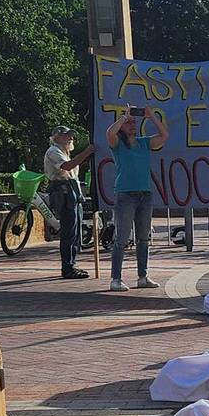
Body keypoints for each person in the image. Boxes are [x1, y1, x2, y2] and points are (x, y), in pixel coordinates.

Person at [105, 107, 169, 292]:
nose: (133, 125)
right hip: (125, 194)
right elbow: (109, 133)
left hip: (145, 194)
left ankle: (143, 276)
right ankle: (115, 279)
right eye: (129, 123)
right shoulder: (118, 144)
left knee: (143, 237)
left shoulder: (143, 143)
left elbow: (164, 136)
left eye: (134, 122)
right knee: (121, 238)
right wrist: (123, 117)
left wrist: (151, 117)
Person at [43, 126, 94, 279]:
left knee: (75, 231)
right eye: (66, 135)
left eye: (71, 135)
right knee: (68, 232)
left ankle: (71, 263)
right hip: (63, 193)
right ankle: (68, 267)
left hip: (72, 193)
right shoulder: (53, 151)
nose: (70, 138)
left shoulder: (65, 152)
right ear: (57, 137)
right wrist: (87, 152)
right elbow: (67, 166)